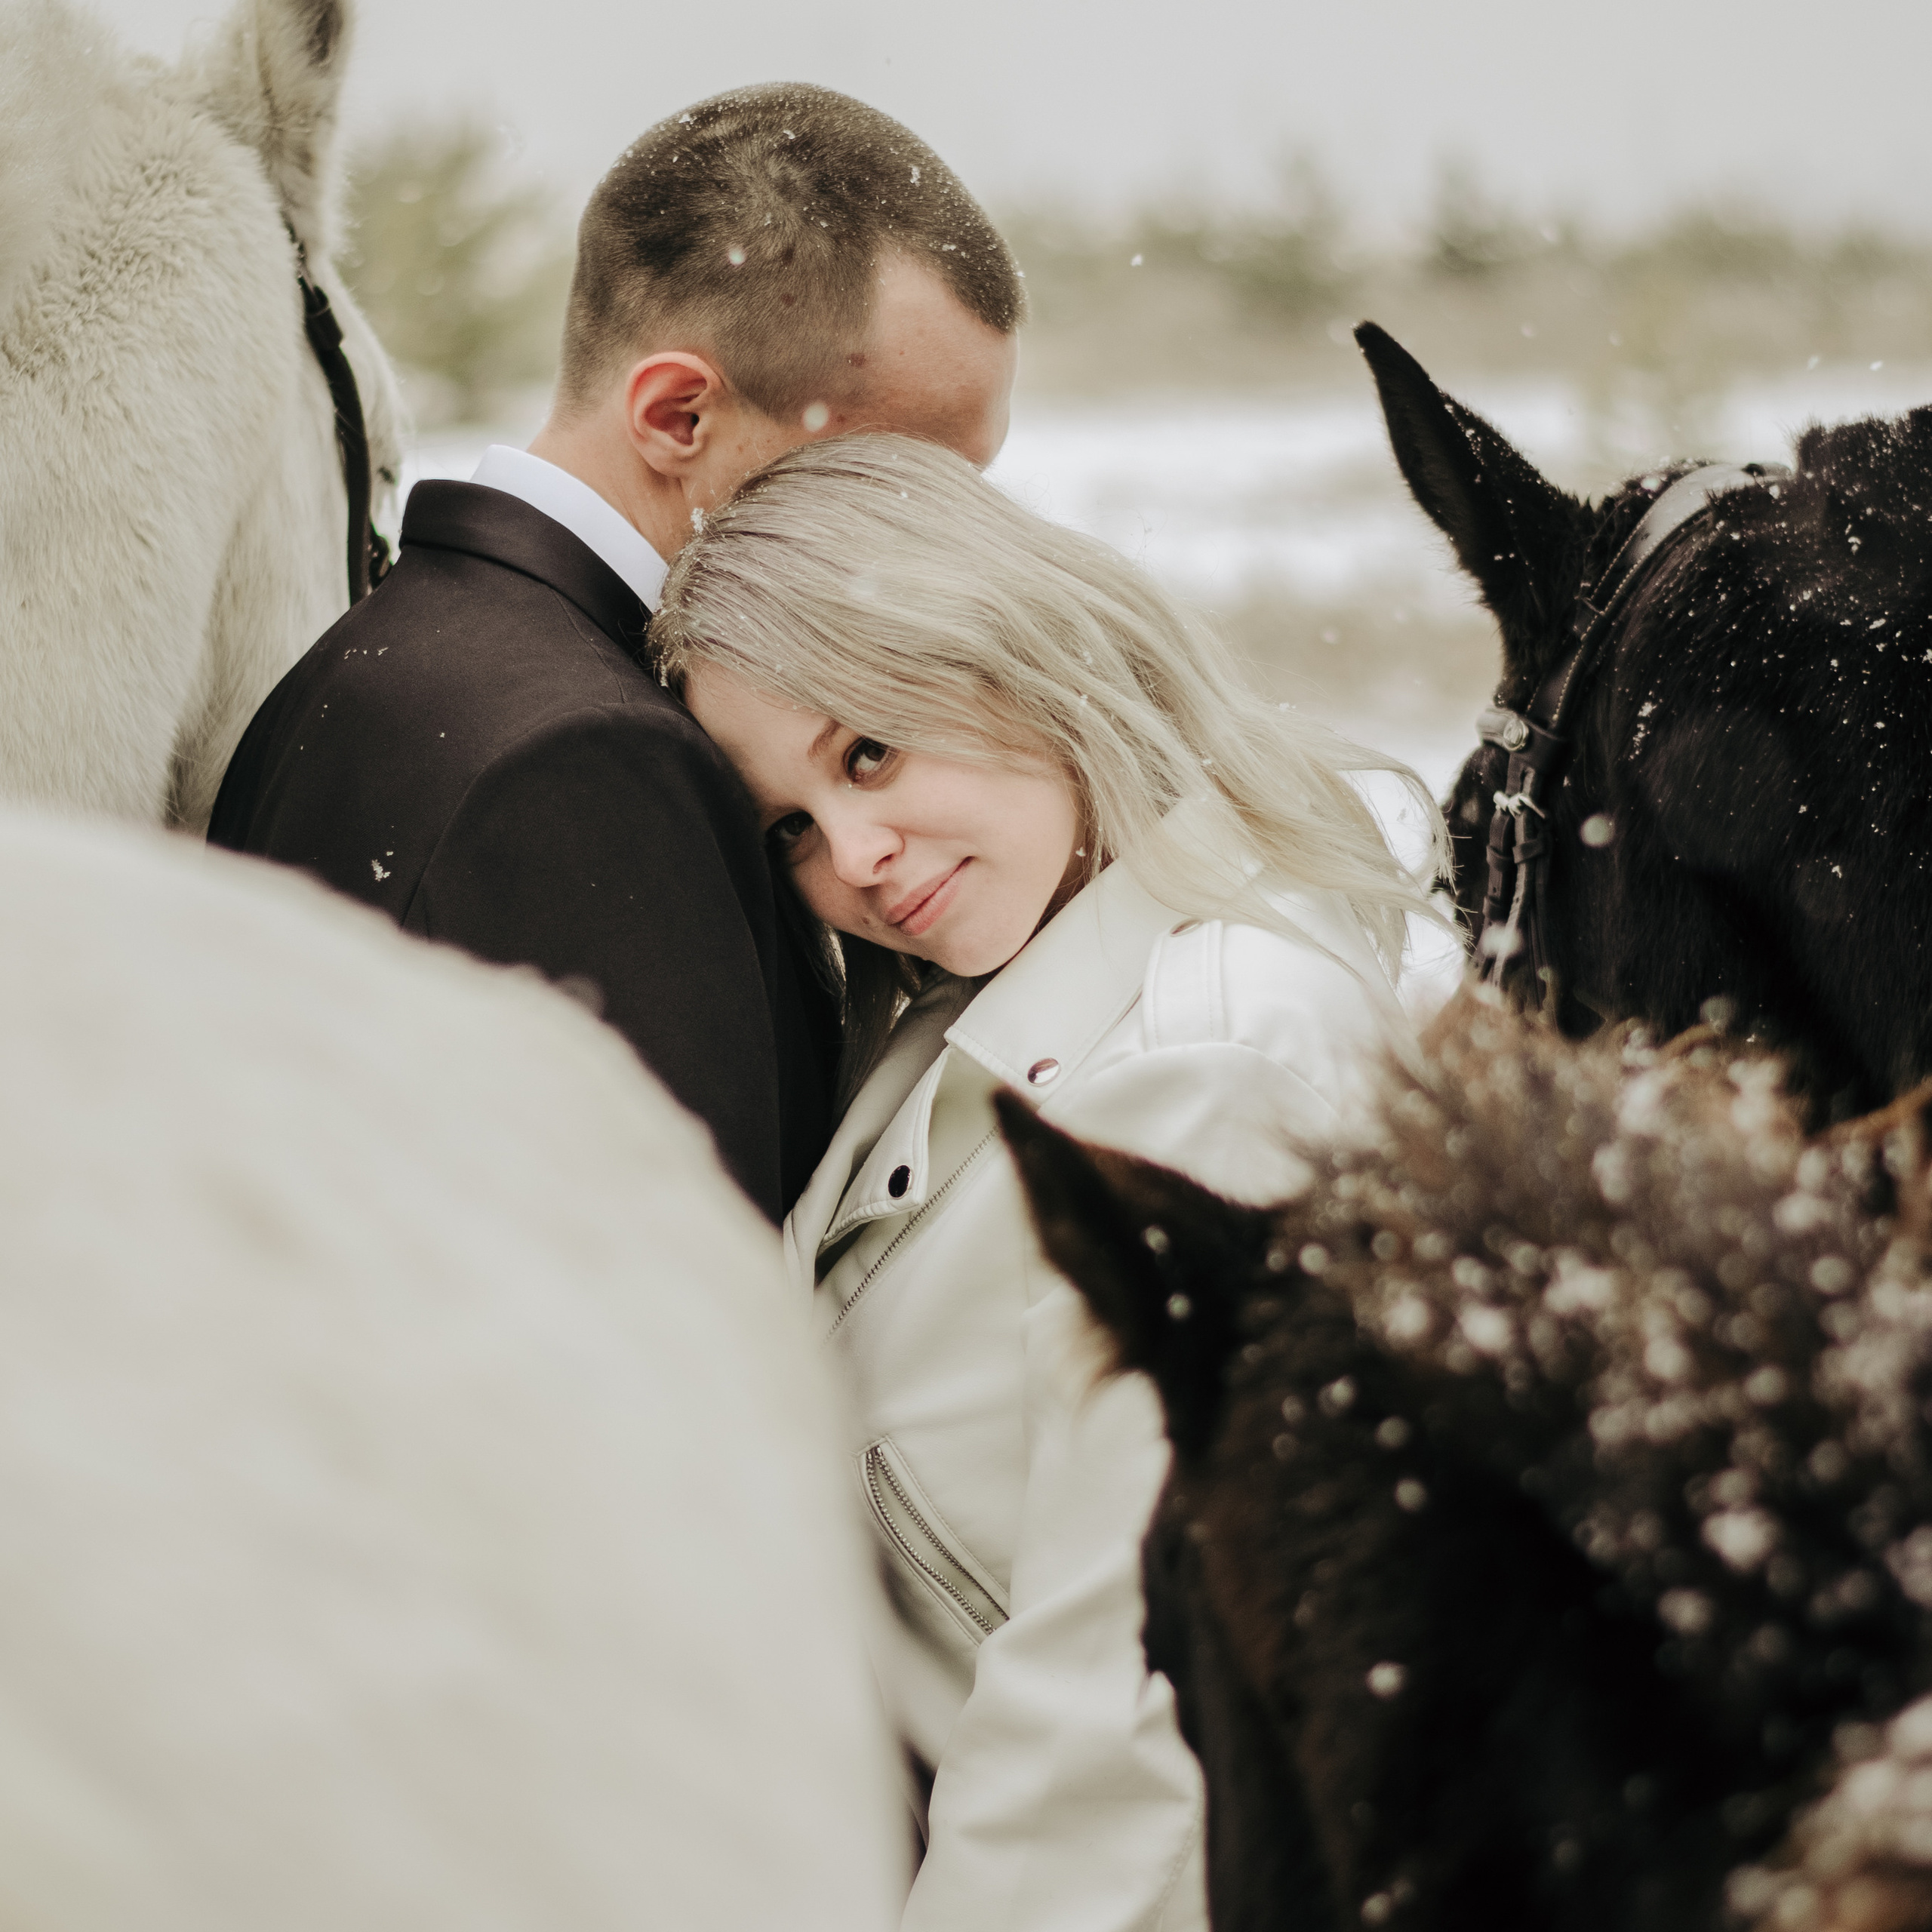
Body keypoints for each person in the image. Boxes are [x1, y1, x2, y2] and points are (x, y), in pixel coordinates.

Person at [648, 432, 1449, 1930]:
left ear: (1009, 654)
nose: (859, 856)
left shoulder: (1214, 1060)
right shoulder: (984, 990)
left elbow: (1126, 1704)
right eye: (792, 829)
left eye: (866, 749)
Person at [208, 86, 1022, 1222]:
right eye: (900, 482)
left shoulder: (367, 668)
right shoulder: (585, 766)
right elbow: (682, 1346)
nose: (949, 549)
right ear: (680, 417)